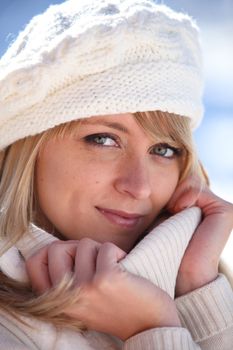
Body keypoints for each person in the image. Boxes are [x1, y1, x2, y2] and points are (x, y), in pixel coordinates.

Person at [0, 0, 232, 349]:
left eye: (164, 150)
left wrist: (196, 292)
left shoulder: (207, 287)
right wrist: (151, 327)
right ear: (27, 146)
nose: (139, 187)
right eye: (104, 140)